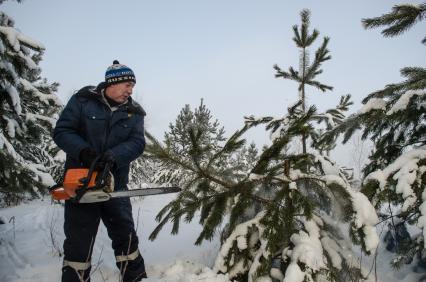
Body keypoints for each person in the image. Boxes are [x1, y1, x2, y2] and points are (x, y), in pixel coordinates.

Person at [53, 60, 147, 281]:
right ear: (112, 83)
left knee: (125, 234)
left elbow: (137, 143)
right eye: (127, 84)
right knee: (79, 239)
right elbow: (62, 131)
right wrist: (84, 152)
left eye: (132, 86)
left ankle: (134, 276)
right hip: (82, 184)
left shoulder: (135, 113)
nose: (130, 90)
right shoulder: (83, 101)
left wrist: (113, 157)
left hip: (115, 184)